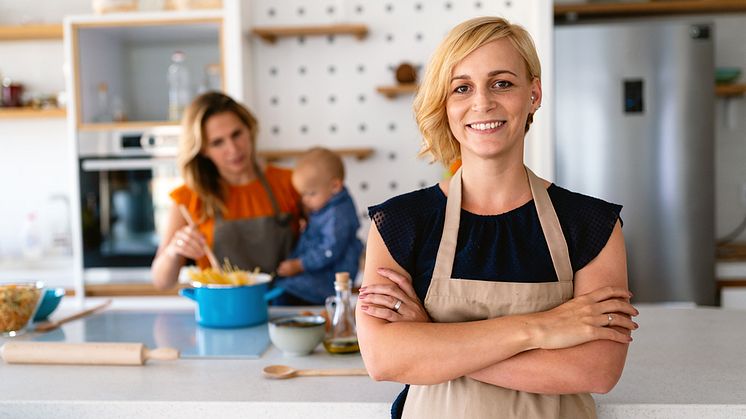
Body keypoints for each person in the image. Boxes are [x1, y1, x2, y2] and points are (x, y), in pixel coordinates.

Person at [355, 16, 638, 419]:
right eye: (462, 88)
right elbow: (384, 360)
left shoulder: (592, 225)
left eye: (502, 83)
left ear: (534, 94)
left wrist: (435, 344)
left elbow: (596, 371)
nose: (482, 102)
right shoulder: (400, 224)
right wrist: (541, 329)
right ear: (446, 103)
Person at [152, 92, 301, 290]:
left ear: (250, 129)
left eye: (236, 134)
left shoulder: (290, 182)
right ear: (203, 149)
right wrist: (174, 251)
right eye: (217, 142)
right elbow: (161, 281)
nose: (233, 149)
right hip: (223, 313)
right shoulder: (188, 197)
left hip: (288, 311)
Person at [274, 147, 364, 305]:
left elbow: (329, 250)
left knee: (285, 296)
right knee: (281, 292)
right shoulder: (326, 207)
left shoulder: (337, 214)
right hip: (317, 271)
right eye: (303, 194)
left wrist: (300, 265)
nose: (305, 200)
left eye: (311, 193)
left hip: (328, 276)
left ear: (335, 186)